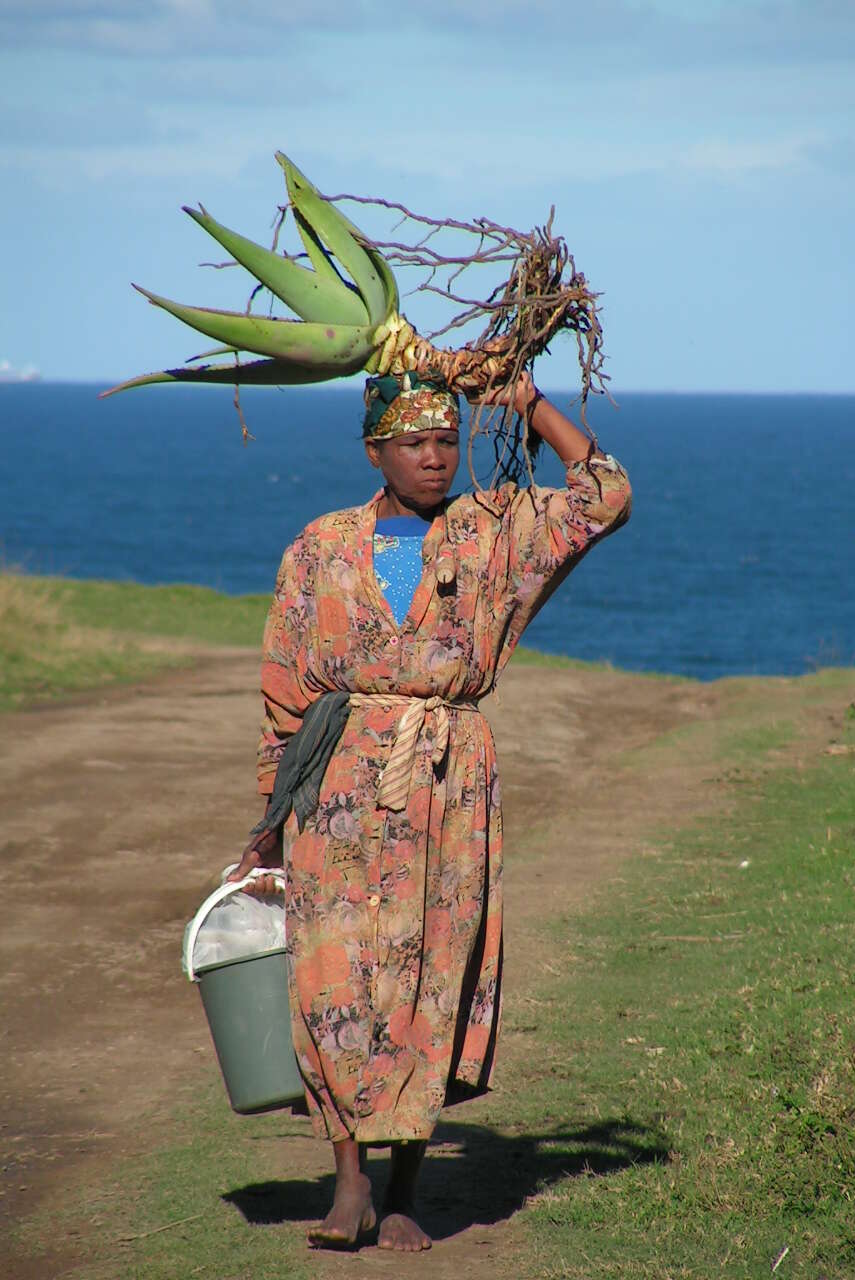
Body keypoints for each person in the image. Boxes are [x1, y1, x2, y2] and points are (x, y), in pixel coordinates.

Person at [228, 370, 631, 1252]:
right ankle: (347, 1183)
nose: (436, 457)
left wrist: (522, 400)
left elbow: (605, 496)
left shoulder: (494, 533)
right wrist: (267, 823)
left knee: (427, 980)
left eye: (448, 440)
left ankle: (404, 1187)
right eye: (414, 443)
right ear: (374, 450)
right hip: (333, 785)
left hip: (447, 788)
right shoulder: (320, 547)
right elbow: (284, 695)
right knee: (328, 974)